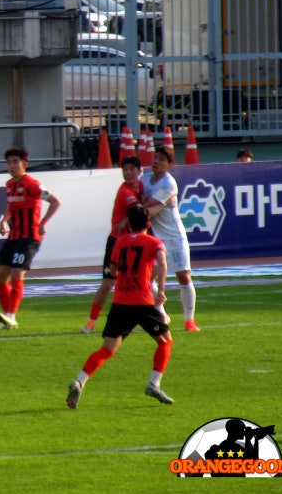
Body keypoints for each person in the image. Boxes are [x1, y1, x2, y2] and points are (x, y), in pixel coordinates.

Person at [66, 205, 174, 409]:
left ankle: (80, 381)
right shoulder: (154, 242)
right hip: (142, 302)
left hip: (120, 302)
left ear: (129, 224)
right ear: (148, 224)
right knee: (165, 341)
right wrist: (160, 289)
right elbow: (162, 263)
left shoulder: (119, 242)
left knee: (107, 349)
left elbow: (114, 270)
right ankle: (154, 384)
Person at [0, 147, 61, 330]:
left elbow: (55, 202)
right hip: (13, 237)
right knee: (0, 277)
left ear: (24, 164)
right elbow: (11, 205)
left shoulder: (33, 184)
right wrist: (4, 220)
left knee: (16, 273)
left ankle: (10, 316)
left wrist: (43, 222)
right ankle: (8, 318)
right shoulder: (9, 185)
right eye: (9, 162)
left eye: (16, 162)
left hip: (29, 237)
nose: (12, 166)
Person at [82, 156, 143, 333]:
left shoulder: (140, 187)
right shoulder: (125, 192)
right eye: (125, 170)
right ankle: (91, 321)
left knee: (136, 282)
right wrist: (161, 204)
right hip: (117, 243)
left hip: (133, 243)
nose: (129, 173)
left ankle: (151, 316)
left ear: (139, 171)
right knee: (108, 283)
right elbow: (139, 213)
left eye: (132, 169)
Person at [142, 147, 199, 331]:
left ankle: (189, 320)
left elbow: (149, 206)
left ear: (169, 164)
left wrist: (143, 200)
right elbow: (139, 203)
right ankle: (161, 312)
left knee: (183, 276)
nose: (156, 161)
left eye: (161, 159)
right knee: (149, 278)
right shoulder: (144, 179)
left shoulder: (169, 183)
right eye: (155, 158)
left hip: (174, 236)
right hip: (153, 238)